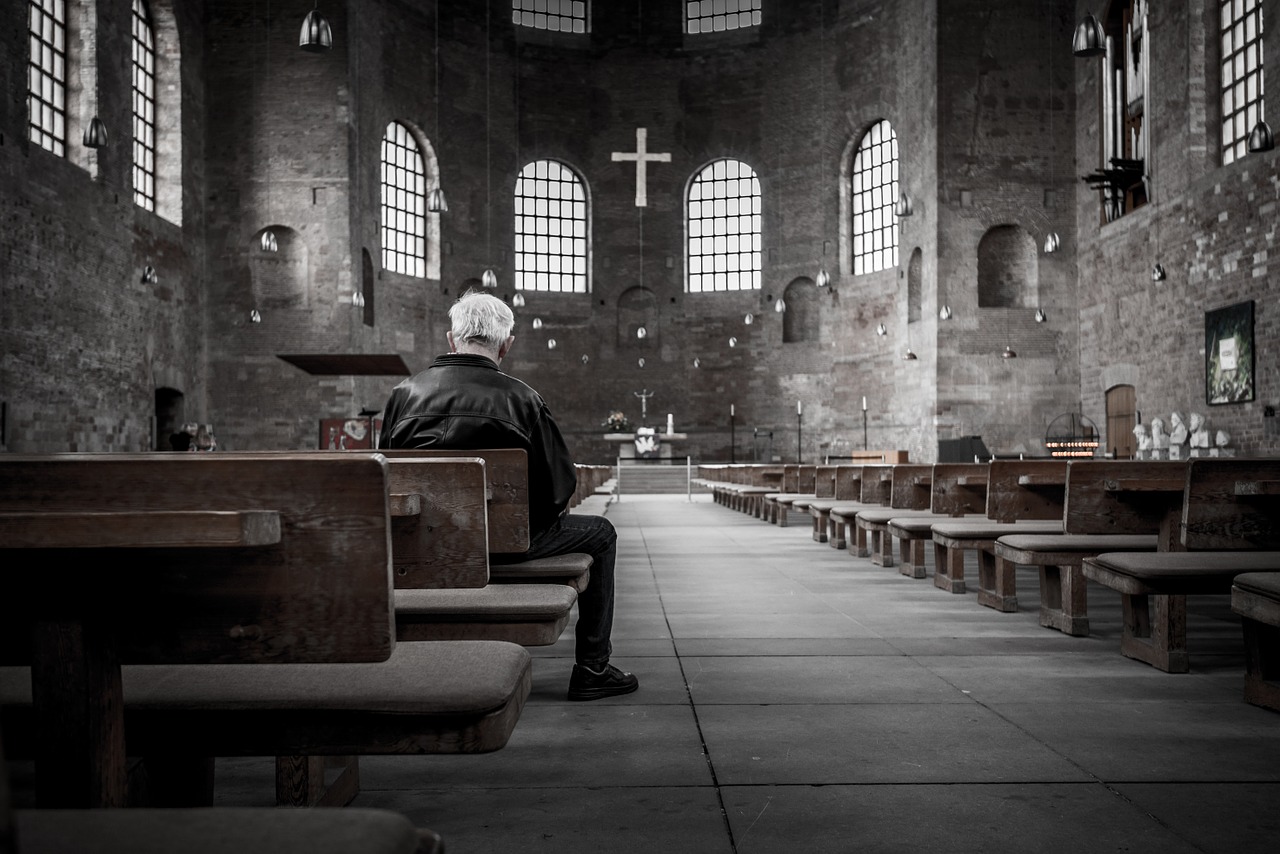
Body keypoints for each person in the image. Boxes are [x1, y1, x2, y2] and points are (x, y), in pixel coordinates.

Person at [378, 291, 638, 702]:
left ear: (451, 338)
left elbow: (388, 480)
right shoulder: (523, 398)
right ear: (506, 344)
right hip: (512, 547)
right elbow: (560, 488)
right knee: (602, 532)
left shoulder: (402, 396)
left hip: (428, 548)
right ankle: (593, 667)